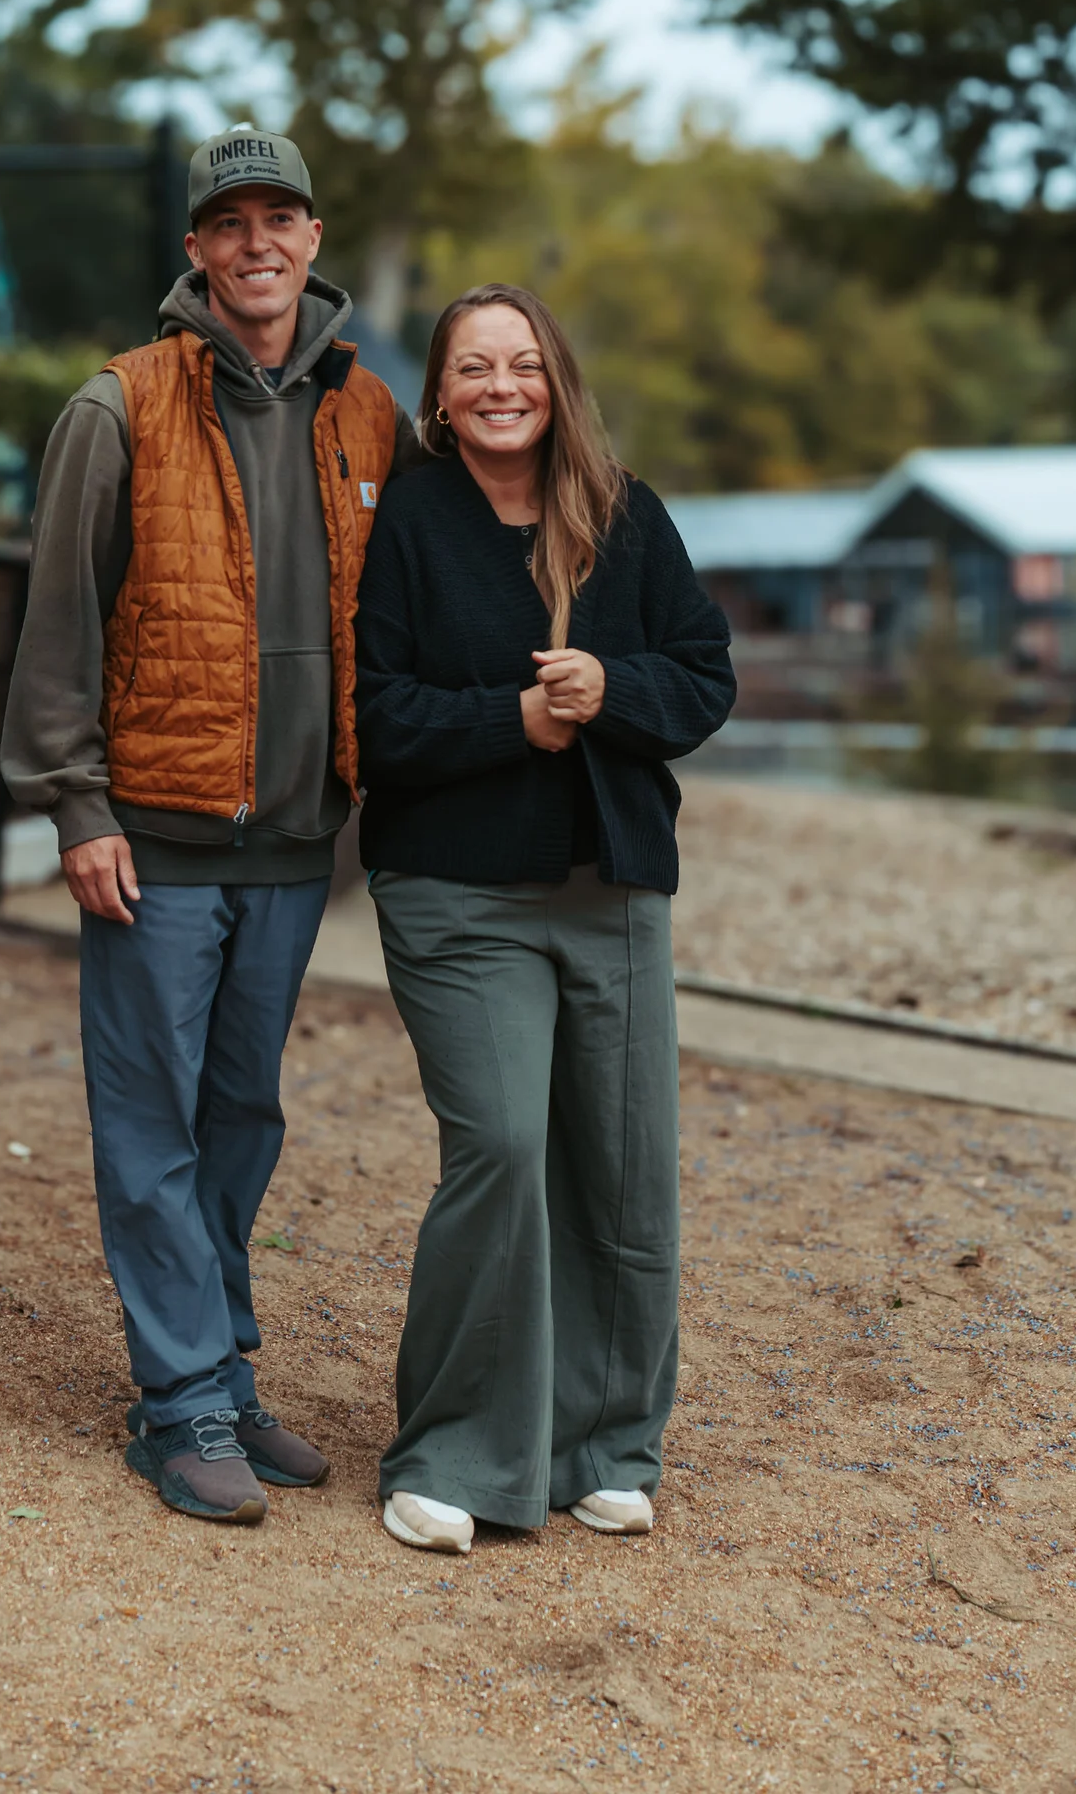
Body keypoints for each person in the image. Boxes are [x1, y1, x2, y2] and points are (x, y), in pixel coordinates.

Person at [1, 125, 418, 1526]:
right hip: (153, 839)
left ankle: (222, 1377)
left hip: (298, 844)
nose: (255, 245)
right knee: (149, 1122)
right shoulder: (116, 408)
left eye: (278, 220)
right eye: (227, 222)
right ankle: (175, 1405)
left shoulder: (371, 416)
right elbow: (56, 619)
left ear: (312, 239)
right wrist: (74, 800)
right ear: (194, 248)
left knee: (240, 1113)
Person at [353, 283, 736, 1555]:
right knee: (505, 1150)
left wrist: (611, 685)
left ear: (554, 379)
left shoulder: (623, 515)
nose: (500, 385)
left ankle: (604, 1443)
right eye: (474, 366)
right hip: (457, 893)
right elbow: (378, 716)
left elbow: (704, 677)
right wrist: (508, 720)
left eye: (521, 362)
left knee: (625, 1176)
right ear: (441, 395)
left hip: (612, 888)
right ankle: (456, 1451)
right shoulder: (412, 518)